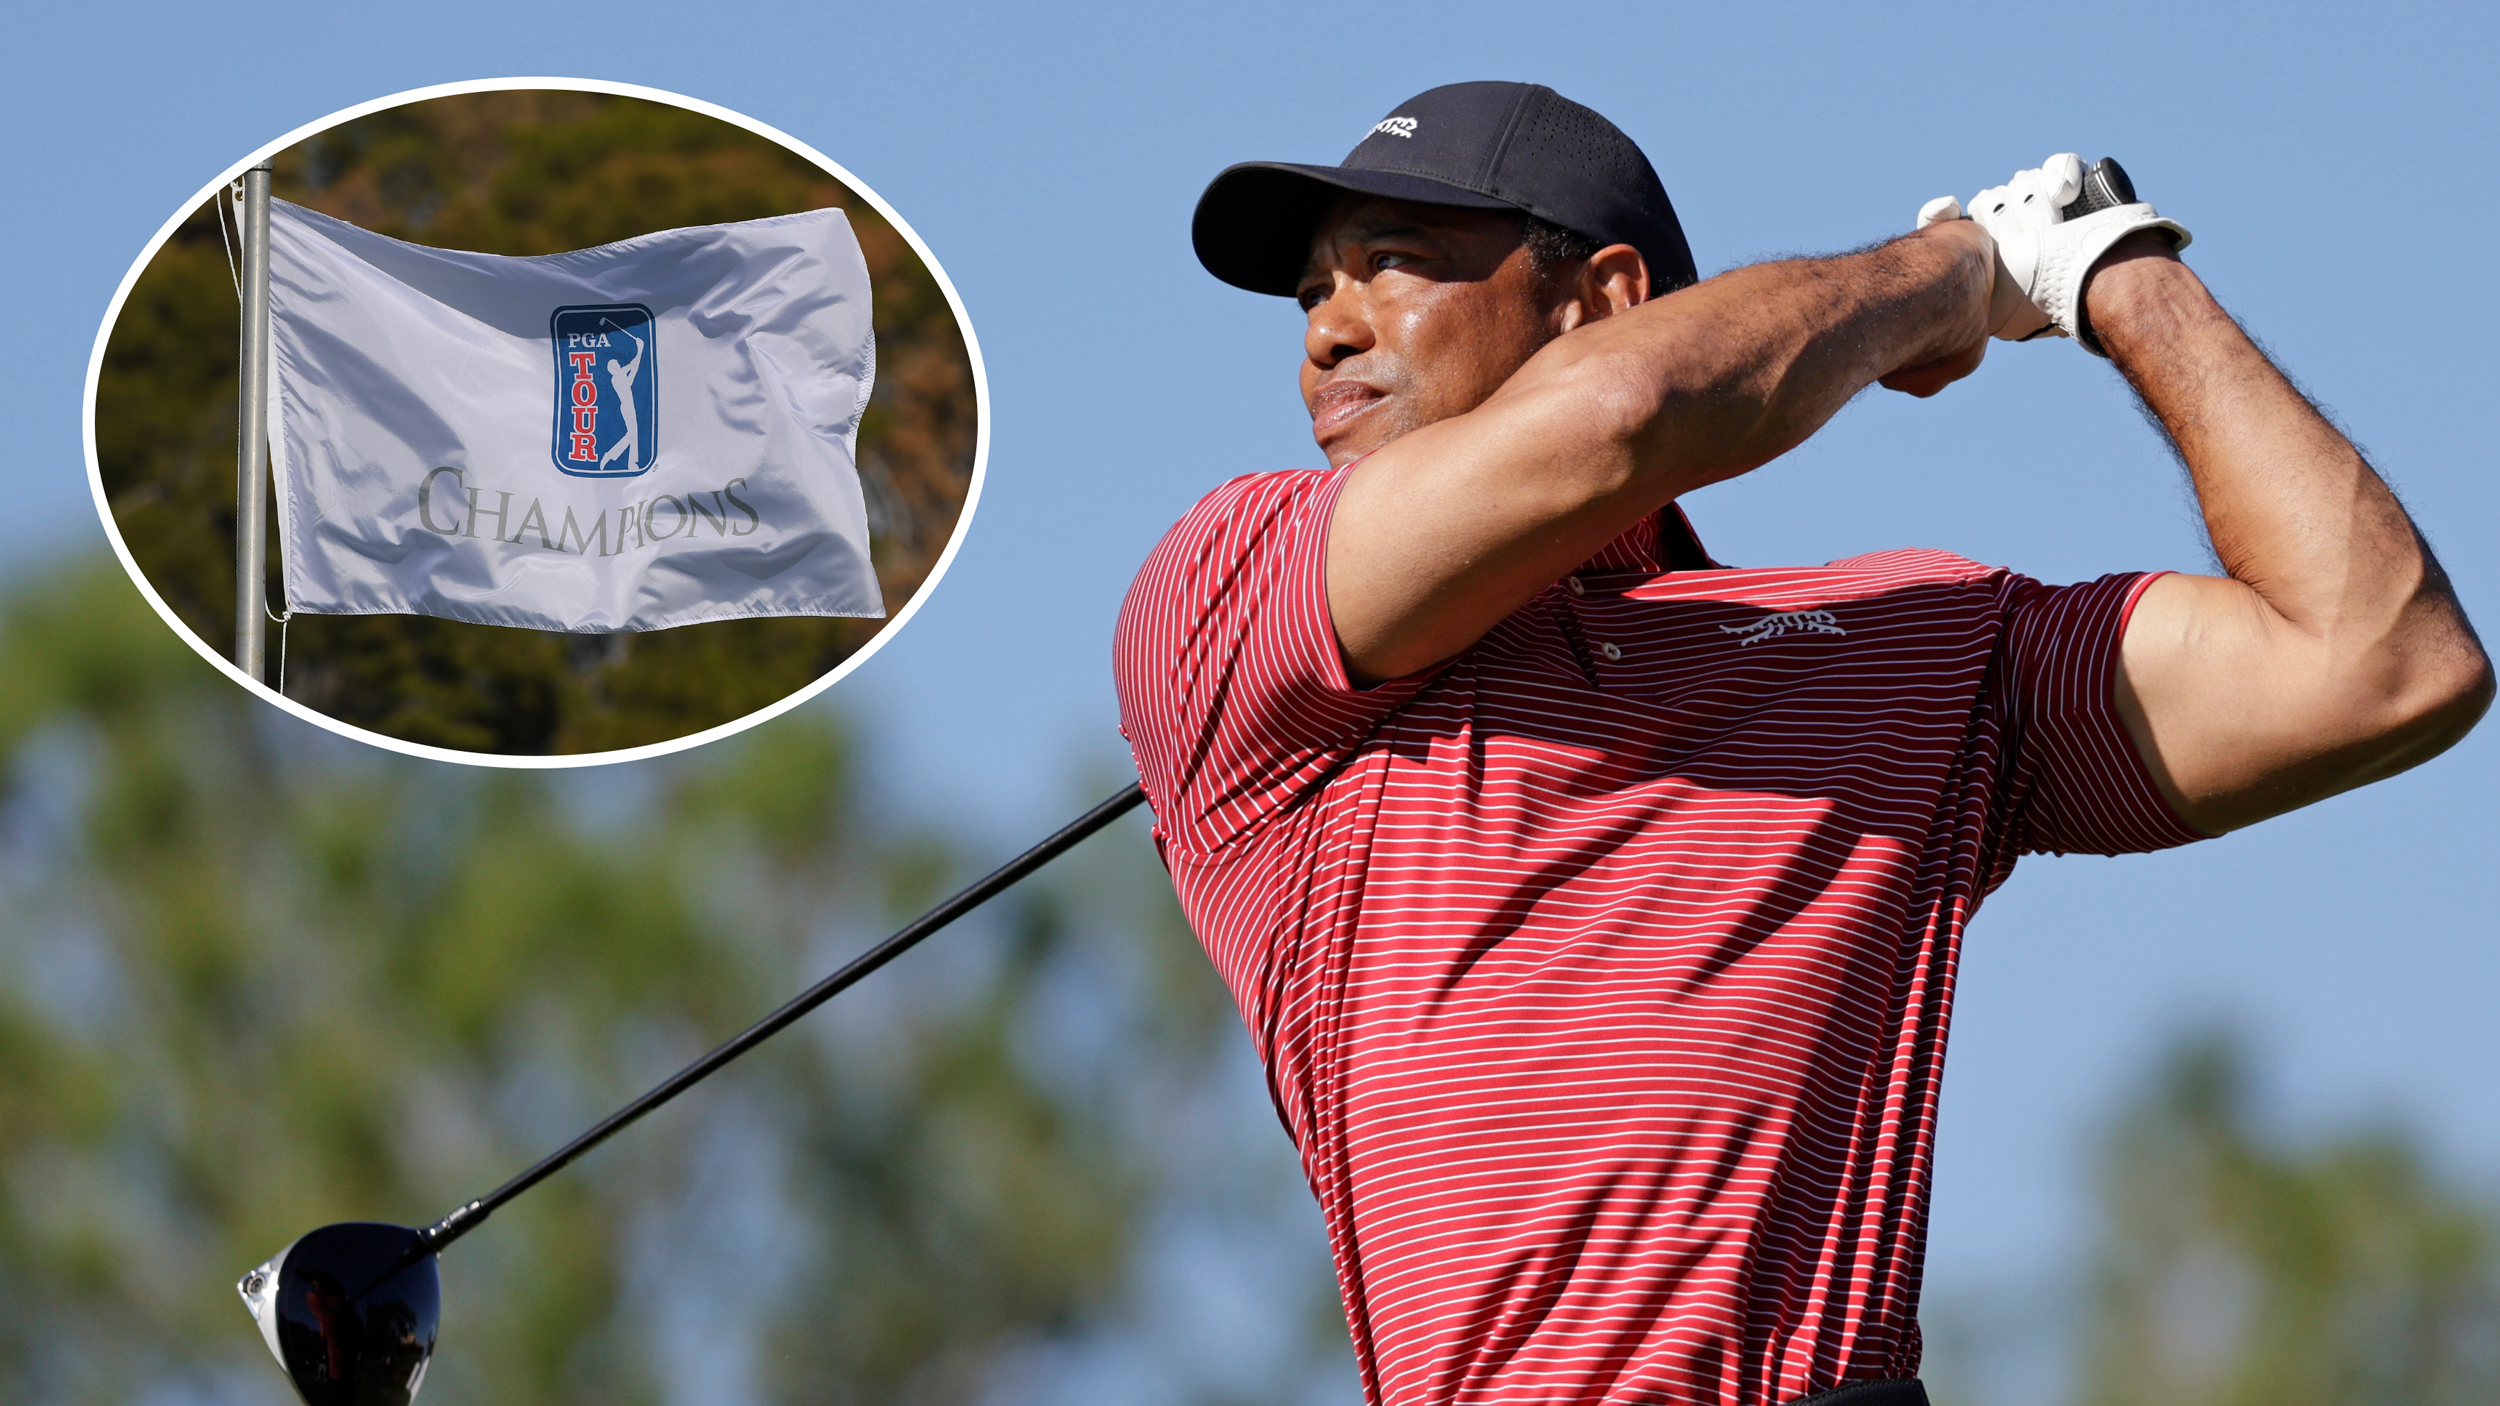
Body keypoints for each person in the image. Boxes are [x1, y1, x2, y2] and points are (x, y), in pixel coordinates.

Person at [1110, 82, 2491, 1406]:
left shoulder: (1911, 643)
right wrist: (1950, 272)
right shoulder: (1232, 608)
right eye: (1310, 294)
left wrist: (2116, 276)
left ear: (1601, 300)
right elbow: (1622, 417)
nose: (1325, 335)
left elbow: (2384, 658)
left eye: (1391, 264)